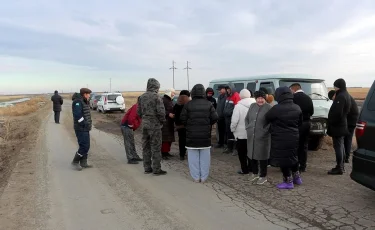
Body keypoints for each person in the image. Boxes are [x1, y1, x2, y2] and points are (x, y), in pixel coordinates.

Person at [266, 87, 303, 189]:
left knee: (284, 159)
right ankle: (297, 178)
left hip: (280, 137)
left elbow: (267, 117)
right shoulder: (297, 107)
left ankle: (288, 181)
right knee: (293, 156)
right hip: (294, 136)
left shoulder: (276, 108)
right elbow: (300, 122)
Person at [180, 84, 218, 183]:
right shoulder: (209, 104)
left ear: (192, 93)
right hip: (205, 136)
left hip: (191, 136)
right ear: (203, 93)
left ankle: (196, 177)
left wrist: (189, 125)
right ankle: (204, 177)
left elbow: (182, 119)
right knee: (205, 159)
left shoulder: (188, 104)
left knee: (193, 159)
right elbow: (215, 118)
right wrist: (207, 124)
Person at [137, 78, 167, 176]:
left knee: (145, 146)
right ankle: (156, 169)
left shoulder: (141, 97)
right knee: (156, 147)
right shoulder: (157, 97)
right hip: (155, 125)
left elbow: (138, 112)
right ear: (156, 87)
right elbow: (161, 113)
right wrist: (162, 122)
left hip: (145, 124)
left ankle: (147, 168)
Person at [327, 79, 352, 175]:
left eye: (335, 86)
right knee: (341, 146)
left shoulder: (341, 97)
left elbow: (338, 113)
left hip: (338, 126)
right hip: (342, 124)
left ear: (338, 86)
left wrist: (332, 122)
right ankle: (341, 166)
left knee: (338, 146)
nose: (334, 88)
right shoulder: (346, 95)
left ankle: (339, 167)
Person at [328, 87, 358, 164]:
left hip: (349, 122)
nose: (333, 100)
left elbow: (342, 113)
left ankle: (345, 158)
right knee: (345, 140)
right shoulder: (346, 96)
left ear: (334, 94)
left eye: (332, 98)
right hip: (350, 121)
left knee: (346, 140)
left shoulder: (342, 98)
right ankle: (344, 158)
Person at [290, 83, 314, 172]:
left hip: (297, 124)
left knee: (295, 145)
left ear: (293, 89)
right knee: (304, 145)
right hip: (307, 123)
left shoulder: (294, 98)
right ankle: (303, 166)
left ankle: (294, 166)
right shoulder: (308, 98)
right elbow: (312, 111)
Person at [230, 89, 255, 175]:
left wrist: (232, 129)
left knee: (242, 153)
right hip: (252, 132)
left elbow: (234, 120)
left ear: (240, 96)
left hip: (241, 134)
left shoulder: (238, 106)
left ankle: (244, 169)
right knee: (251, 152)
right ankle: (252, 168)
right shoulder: (256, 105)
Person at [71, 88, 93, 171]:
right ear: (84, 94)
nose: (89, 95)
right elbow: (77, 115)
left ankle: (83, 162)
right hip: (81, 128)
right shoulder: (77, 102)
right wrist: (84, 123)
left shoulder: (84, 101)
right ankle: (75, 162)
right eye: (88, 94)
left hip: (85, 128)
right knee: (84, 146)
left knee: (86, 145)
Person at [120, 100, 143, 164]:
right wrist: (131, 126)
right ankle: (130, 158)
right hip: (126, 126)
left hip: (129, 127)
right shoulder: (136, 107)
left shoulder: (139, 108)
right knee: (128, 142)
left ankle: (134, 156)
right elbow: (131, 118)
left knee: (131, 142)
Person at [223, 83, 241, 155]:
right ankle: (229, 147)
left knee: (234, 134)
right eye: (227, 89)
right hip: (227, 118)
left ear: (232, 89)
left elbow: (237, 108)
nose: (227, 90)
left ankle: (235, 149)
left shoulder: (236, 95)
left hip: (232, 118)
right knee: (229, 133)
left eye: (229, 89)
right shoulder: (227, 97)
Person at [174, 90, 191, 161]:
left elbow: (175, 115)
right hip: (187, 125)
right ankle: (187, 153)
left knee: (181, 140)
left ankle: (182, 154)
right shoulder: (188, 104)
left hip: (179, 125)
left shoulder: (177, 104)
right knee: (188, 139)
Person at [161, 88, 176, 160]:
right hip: (165, 122)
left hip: (169, 122)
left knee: (169, 138)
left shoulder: (169, 100)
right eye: (173, 93)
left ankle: (166, 152)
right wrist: (168, 114)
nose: (174, 94)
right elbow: (161, 110)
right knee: (165, 139)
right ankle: (163, 153)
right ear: (169, 92)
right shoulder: (163, 100)